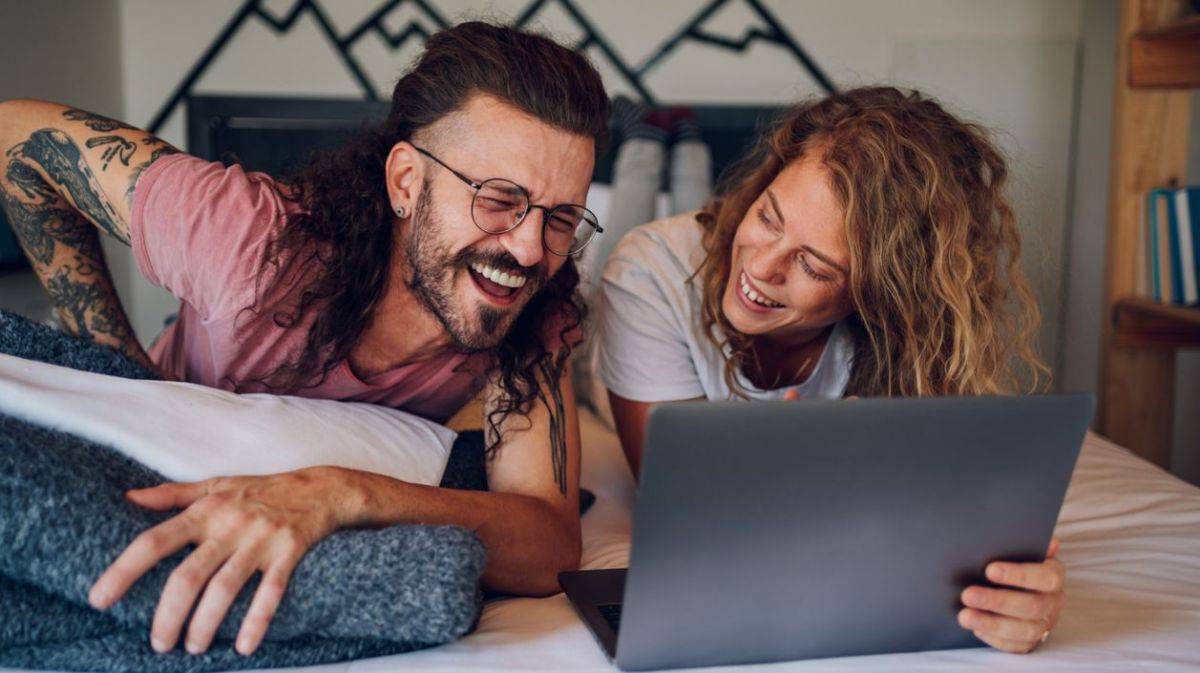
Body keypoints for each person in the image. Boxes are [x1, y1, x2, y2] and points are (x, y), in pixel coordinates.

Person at [0, 22, 608, 656]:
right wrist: (117, 367)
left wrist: (343, 492)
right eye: (498, 198)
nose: (531, 248)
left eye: (561, 217)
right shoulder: (249, 240)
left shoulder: (536, 318)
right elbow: (17, 132)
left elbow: (548, 545)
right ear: (405, 182)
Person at [594, 86, 1061, 654]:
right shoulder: (650, 272)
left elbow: (932, 528)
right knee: (629, 227)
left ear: (877, 295)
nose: (764, 267)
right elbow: (689, 511)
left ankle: (680, 143)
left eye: (813, 265)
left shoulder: (901, 344)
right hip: (606, 354)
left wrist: (1013, 598)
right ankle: (652, 138)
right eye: (767, 216)